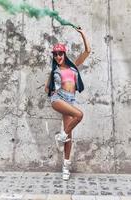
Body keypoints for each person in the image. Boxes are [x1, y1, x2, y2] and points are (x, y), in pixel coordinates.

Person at [44, 27, 91, 180]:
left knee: (69, 136)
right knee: (80, 114)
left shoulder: (73, 66)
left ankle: (66, 166)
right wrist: (50, 89)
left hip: (70, 100)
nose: (58, 56)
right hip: (58, 99)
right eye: (55, 54)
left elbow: (87, 51)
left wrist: (82, 33)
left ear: (64, 54)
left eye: (60, 53)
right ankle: (60, 137)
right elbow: (47, 88)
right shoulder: (54, 71)